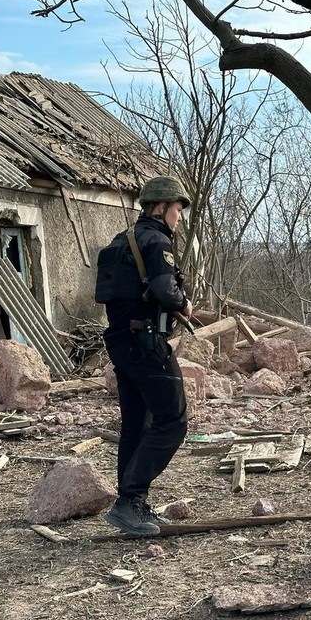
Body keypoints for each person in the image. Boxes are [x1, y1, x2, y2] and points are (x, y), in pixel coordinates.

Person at [94, 176, 194, 535]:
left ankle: (132, 506)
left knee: (137, 425)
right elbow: (166, 290)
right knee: (173, 419)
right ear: (162, 207)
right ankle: (129, 502)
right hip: (146, 341)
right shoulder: (155, 240)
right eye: (177, 209)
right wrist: (184, 302)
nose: (179, 217)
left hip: (121, 342)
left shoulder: (122, 241)